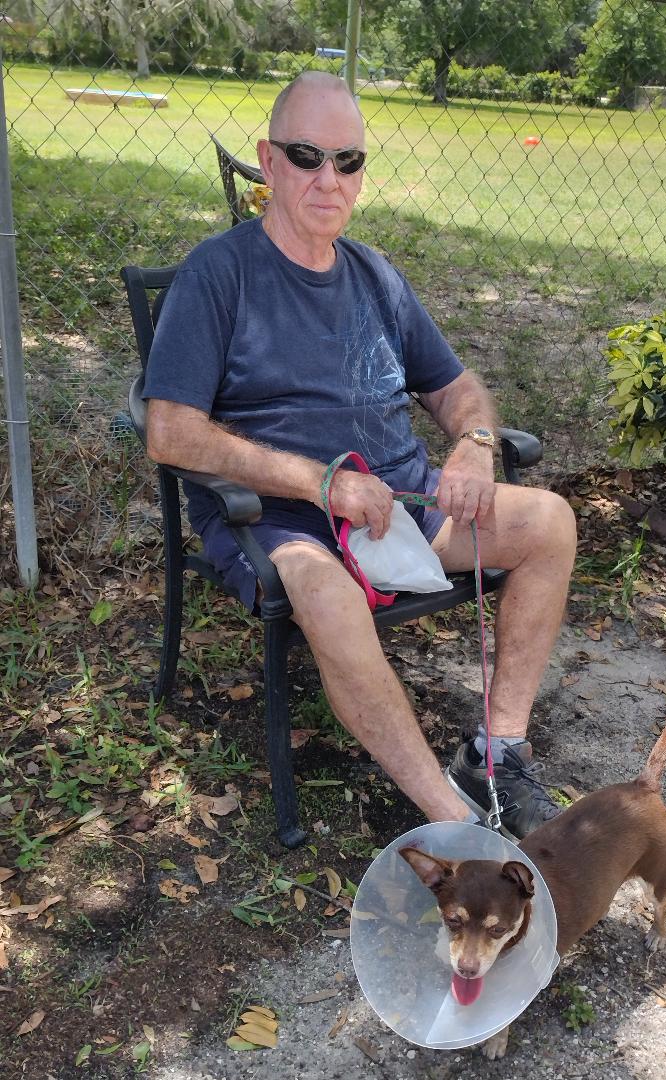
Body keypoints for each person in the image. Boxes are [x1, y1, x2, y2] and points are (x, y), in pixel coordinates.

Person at [143, 71, 577, 840]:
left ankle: (496, 754)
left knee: (549, 522)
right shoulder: (221, 273)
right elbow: (170, 431)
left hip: (400, 500)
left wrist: (474, 446)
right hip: (282, 520)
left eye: (348, 161)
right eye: (307, 155)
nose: (327, 179)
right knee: (327, 593)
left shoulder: (376, 275)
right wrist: (319, 483)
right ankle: (455, 822)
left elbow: (456, 387)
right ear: (268, 161)